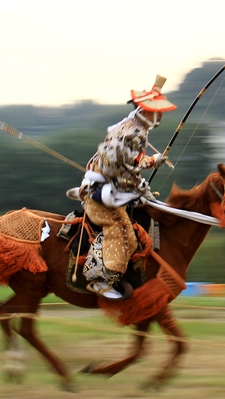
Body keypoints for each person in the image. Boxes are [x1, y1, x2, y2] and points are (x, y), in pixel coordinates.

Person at [79, 75, 176, 299]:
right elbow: (123, 170)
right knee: (123, 232)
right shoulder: (136, 132)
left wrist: (152, 161)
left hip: (108, 186)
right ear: (147, 111)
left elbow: (131, 160)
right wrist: (140, 187)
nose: (160, 116)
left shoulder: (130, 127)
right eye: (157, 111)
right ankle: (100, 280)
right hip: (102, 192)